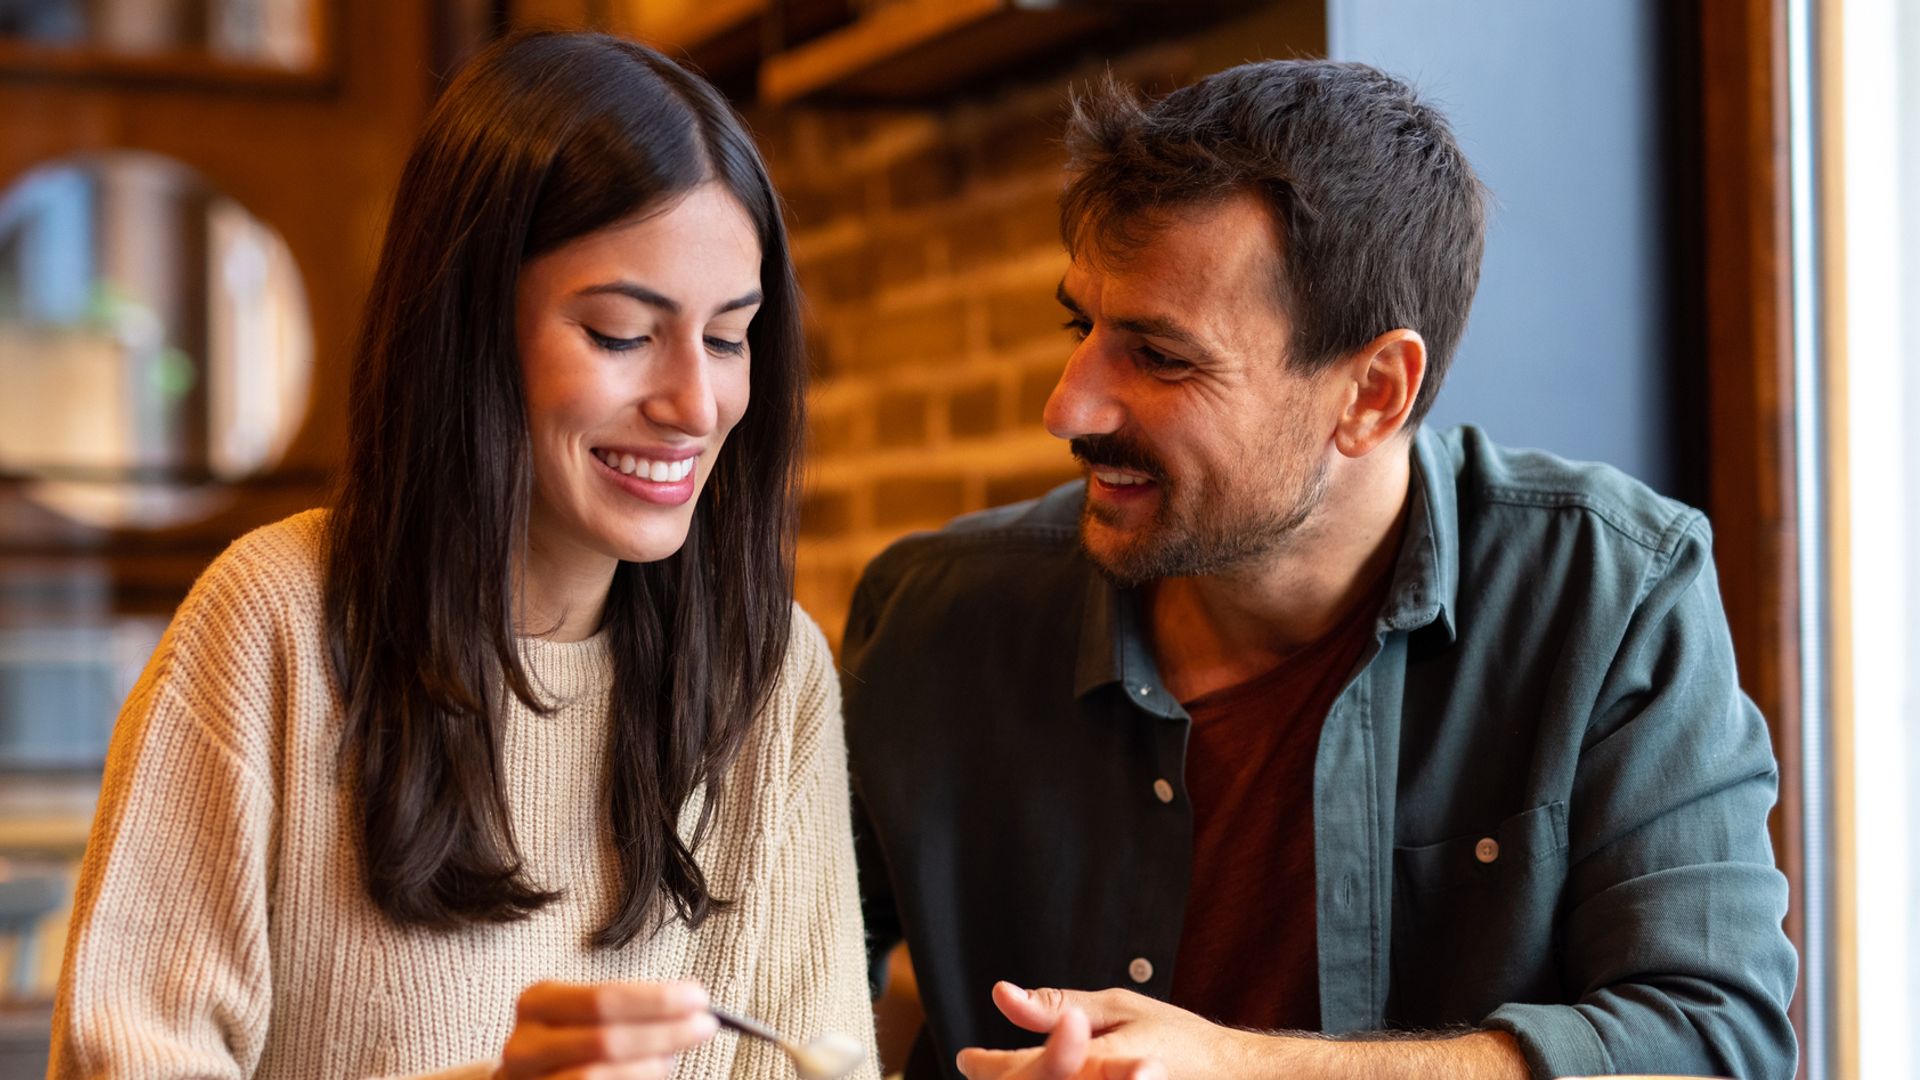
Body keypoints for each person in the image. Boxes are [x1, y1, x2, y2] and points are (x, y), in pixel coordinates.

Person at [843, 60, 1798, 1080]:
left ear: (1374, 394)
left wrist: (1244, 1069)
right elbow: (767, 1003)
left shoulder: (1610, 594)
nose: (1067, 408)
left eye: (1161, 358)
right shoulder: (931, 619)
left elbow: (1715, 1042)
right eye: (1084, 329)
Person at [50, 31, 876, 1080]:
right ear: (469, 329)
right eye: (624, 334)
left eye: (727, 338)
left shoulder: (769, 672)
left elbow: (819, 1061)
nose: (695, 405)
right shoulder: (275, 625)